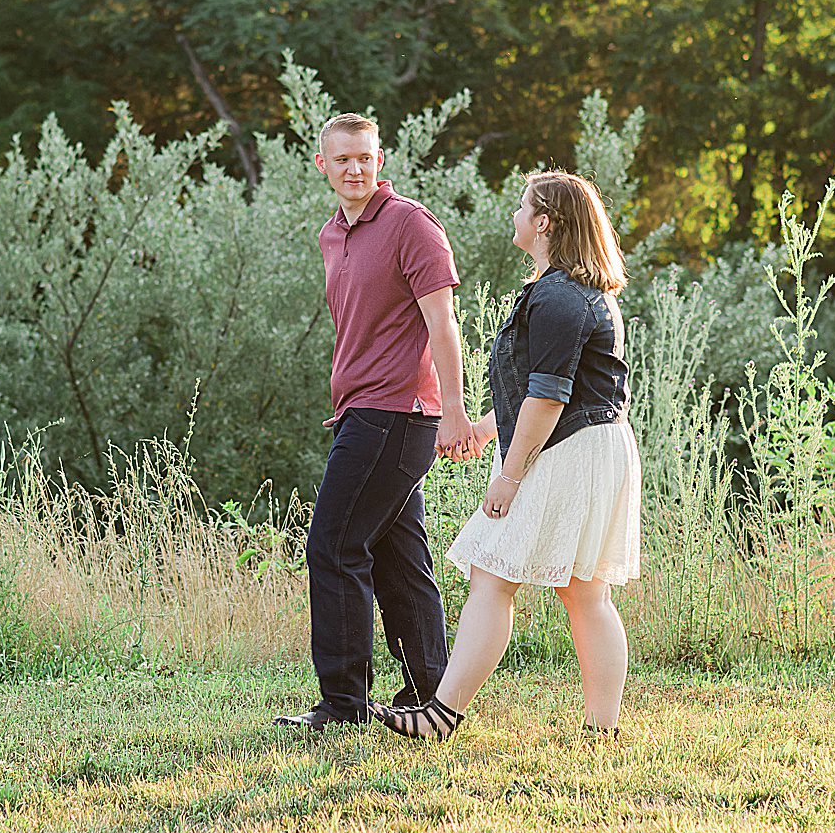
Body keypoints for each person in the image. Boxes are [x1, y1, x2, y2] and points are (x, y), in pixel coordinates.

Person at [373, 170, 641, 741]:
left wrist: (510, 477)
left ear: (544, 223)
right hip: (588, 446)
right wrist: (485, 430)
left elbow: (548, 400)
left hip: (566, 451)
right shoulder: (567, 291)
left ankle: (439, 715)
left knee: (494, 574)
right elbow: (539, 391)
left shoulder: (559, 297)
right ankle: (602, 728)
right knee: (582, 589)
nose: (514, 215)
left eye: (523, 206)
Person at [275, 112, 476, 730]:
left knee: (334, 545)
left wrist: (454, 414)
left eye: (365, 157)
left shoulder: (410, 225)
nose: (356, 169)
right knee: (397, 556)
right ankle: (433, 698)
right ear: (322, 166)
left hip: (398, 412)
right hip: (359, 410)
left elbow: (443, 324)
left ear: (380, 160)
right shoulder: (331, 235)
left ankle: (343, 705)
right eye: (343, 160)